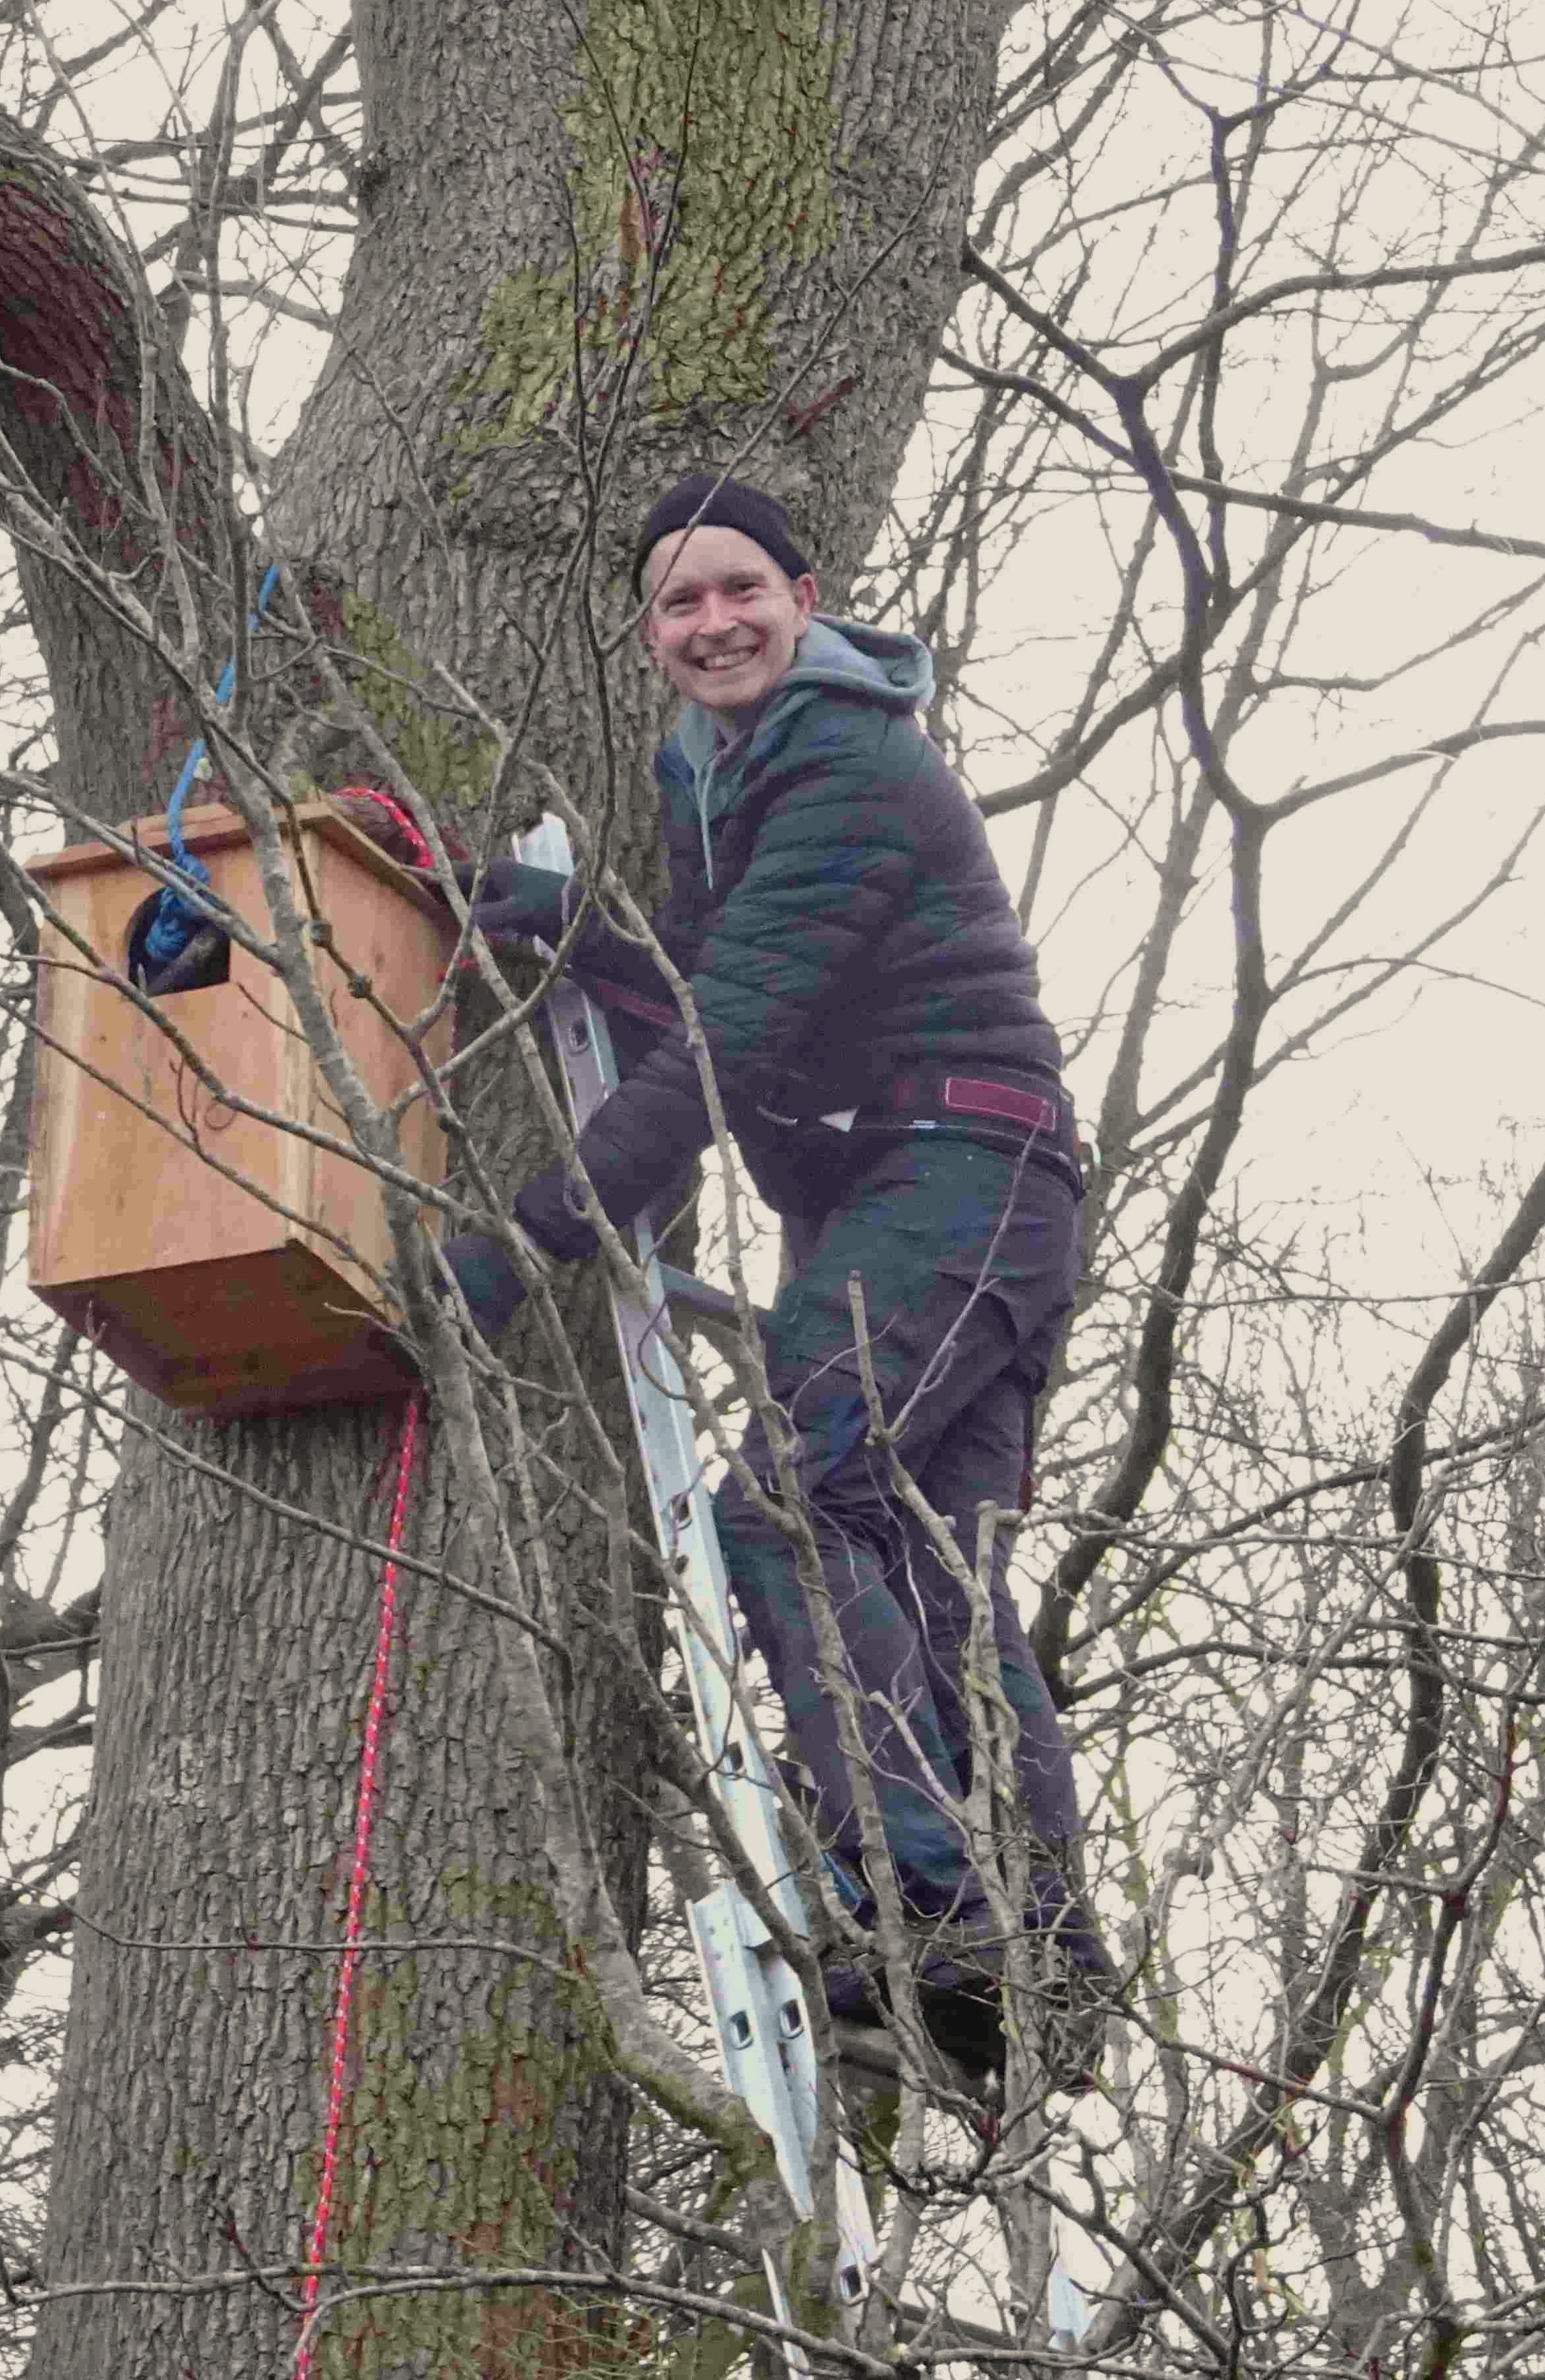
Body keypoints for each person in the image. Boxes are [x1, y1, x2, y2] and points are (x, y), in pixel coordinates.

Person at [440, 473, 1108, 2076]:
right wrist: (560, 919)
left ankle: (933, 1930)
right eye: (677, 603)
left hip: (951, 1177)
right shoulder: (719, 768)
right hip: (943, 1188)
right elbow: (712, 971)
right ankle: (1047, 1972)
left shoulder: (842, 754)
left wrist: (527, 1238)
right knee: (933, 1567)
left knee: (793, 1511)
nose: (713, 623)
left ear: (804, 600)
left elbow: (723, 1040)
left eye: (739, 590)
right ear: (649, 633)